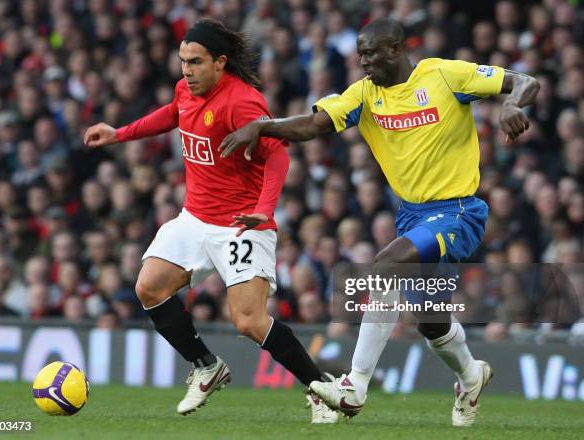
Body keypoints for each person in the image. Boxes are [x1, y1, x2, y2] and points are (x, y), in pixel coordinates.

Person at [220, 17, 540, 427]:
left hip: (458, 210)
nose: (364, 62)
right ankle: (471, 375)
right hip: (412, 216)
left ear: (396, 49)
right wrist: (263, 126)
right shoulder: (365, 96)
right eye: (360, 55)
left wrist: (512, 102)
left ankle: (354, 386)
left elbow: (526, 81)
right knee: (431, 321)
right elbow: (314, 125)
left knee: (384, 267)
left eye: (371, 53)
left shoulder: (444, 75)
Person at [84, 19, 337, 424]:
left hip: (241, 223)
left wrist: (266, 210)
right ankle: (206, 365)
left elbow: (278, 155)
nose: (186, 70)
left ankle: (319, 388)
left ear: (220, 62)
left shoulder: (242, 102)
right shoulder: (186, 89)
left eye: (196, 62)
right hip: (195, 218)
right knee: (149, 286)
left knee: (249, 321)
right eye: (183, 61)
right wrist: (120, 134)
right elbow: (173, 113)